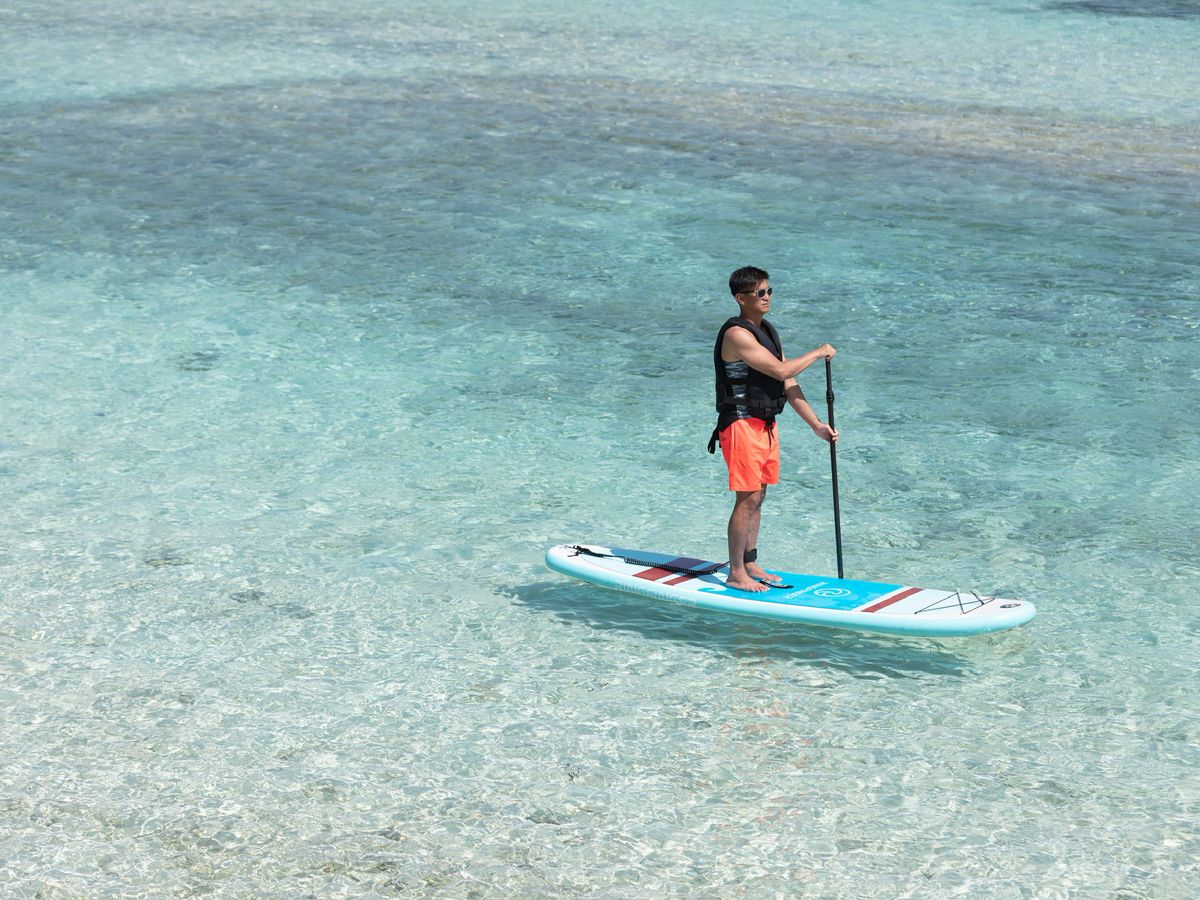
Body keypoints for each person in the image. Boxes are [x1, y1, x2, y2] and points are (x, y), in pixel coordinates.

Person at [708, 266, 838, 592]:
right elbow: (781, 370)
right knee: (747, 497)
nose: (766, 297)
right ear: (741, 298)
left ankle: (750, 560)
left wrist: (815, 424)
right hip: (739, 424)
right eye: (759, 293)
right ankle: (736, 572)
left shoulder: (766, 330)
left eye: (769, 291)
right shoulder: (736, 335)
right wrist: (818, 352)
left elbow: (789, 383)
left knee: (759, 496)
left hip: (765, 425)